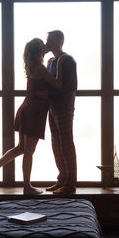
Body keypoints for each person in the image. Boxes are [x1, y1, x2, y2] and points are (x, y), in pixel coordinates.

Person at [0, 38, 64, 194]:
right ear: (39, 51)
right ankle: (27, 187)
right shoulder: (40, 68)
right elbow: (58, 85)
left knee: (21, 148)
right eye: (43, 47)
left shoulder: (32, 65)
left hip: (27, 109)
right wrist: (59, 63)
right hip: (33, 112)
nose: (46, 47)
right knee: (28, 151)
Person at [44, 30, 78, 194]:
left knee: (66, 144)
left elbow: (70, 87)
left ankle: (70, 184)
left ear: (58, 41)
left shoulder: (67, 60)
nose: (46, 43)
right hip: (52, 107)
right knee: (56, 144)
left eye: (49, 40)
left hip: (64, 107)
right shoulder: (51, 61)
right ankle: (61, 179)